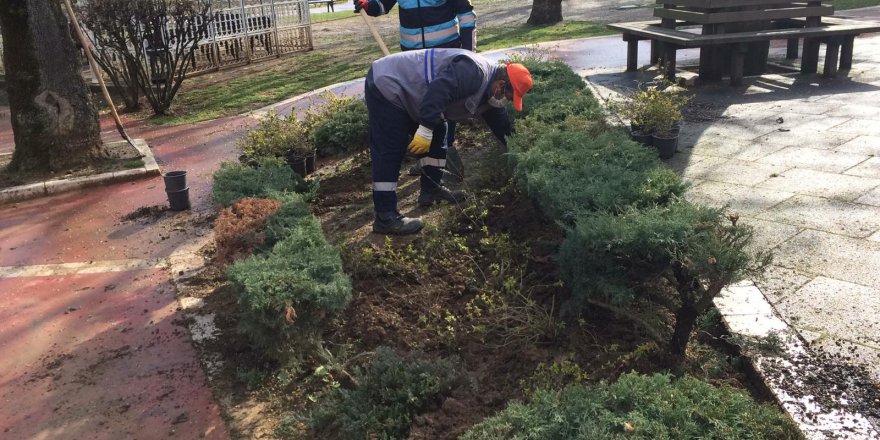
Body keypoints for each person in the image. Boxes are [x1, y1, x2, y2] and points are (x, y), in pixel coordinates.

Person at [365, 48, 533, 235]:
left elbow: (503, 128)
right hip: (389, 83)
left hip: (416, 94)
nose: (504, 102)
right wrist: (425, 128)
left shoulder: (491, 94)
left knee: (439, 134)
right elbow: (439, 90)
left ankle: (431, 190)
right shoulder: (474, 72)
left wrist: (521, 152)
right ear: (501, 85)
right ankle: (385, 217)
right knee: (390, 149)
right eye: (507, 97)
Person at [354, 0, 482, 179]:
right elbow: (382, 6)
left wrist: (468, 55)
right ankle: (428, 161)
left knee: (445, 106)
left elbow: (467, 16)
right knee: (418, 105)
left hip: (444, 55)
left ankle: (445, 153)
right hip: (413, 60)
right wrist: (368, 6)